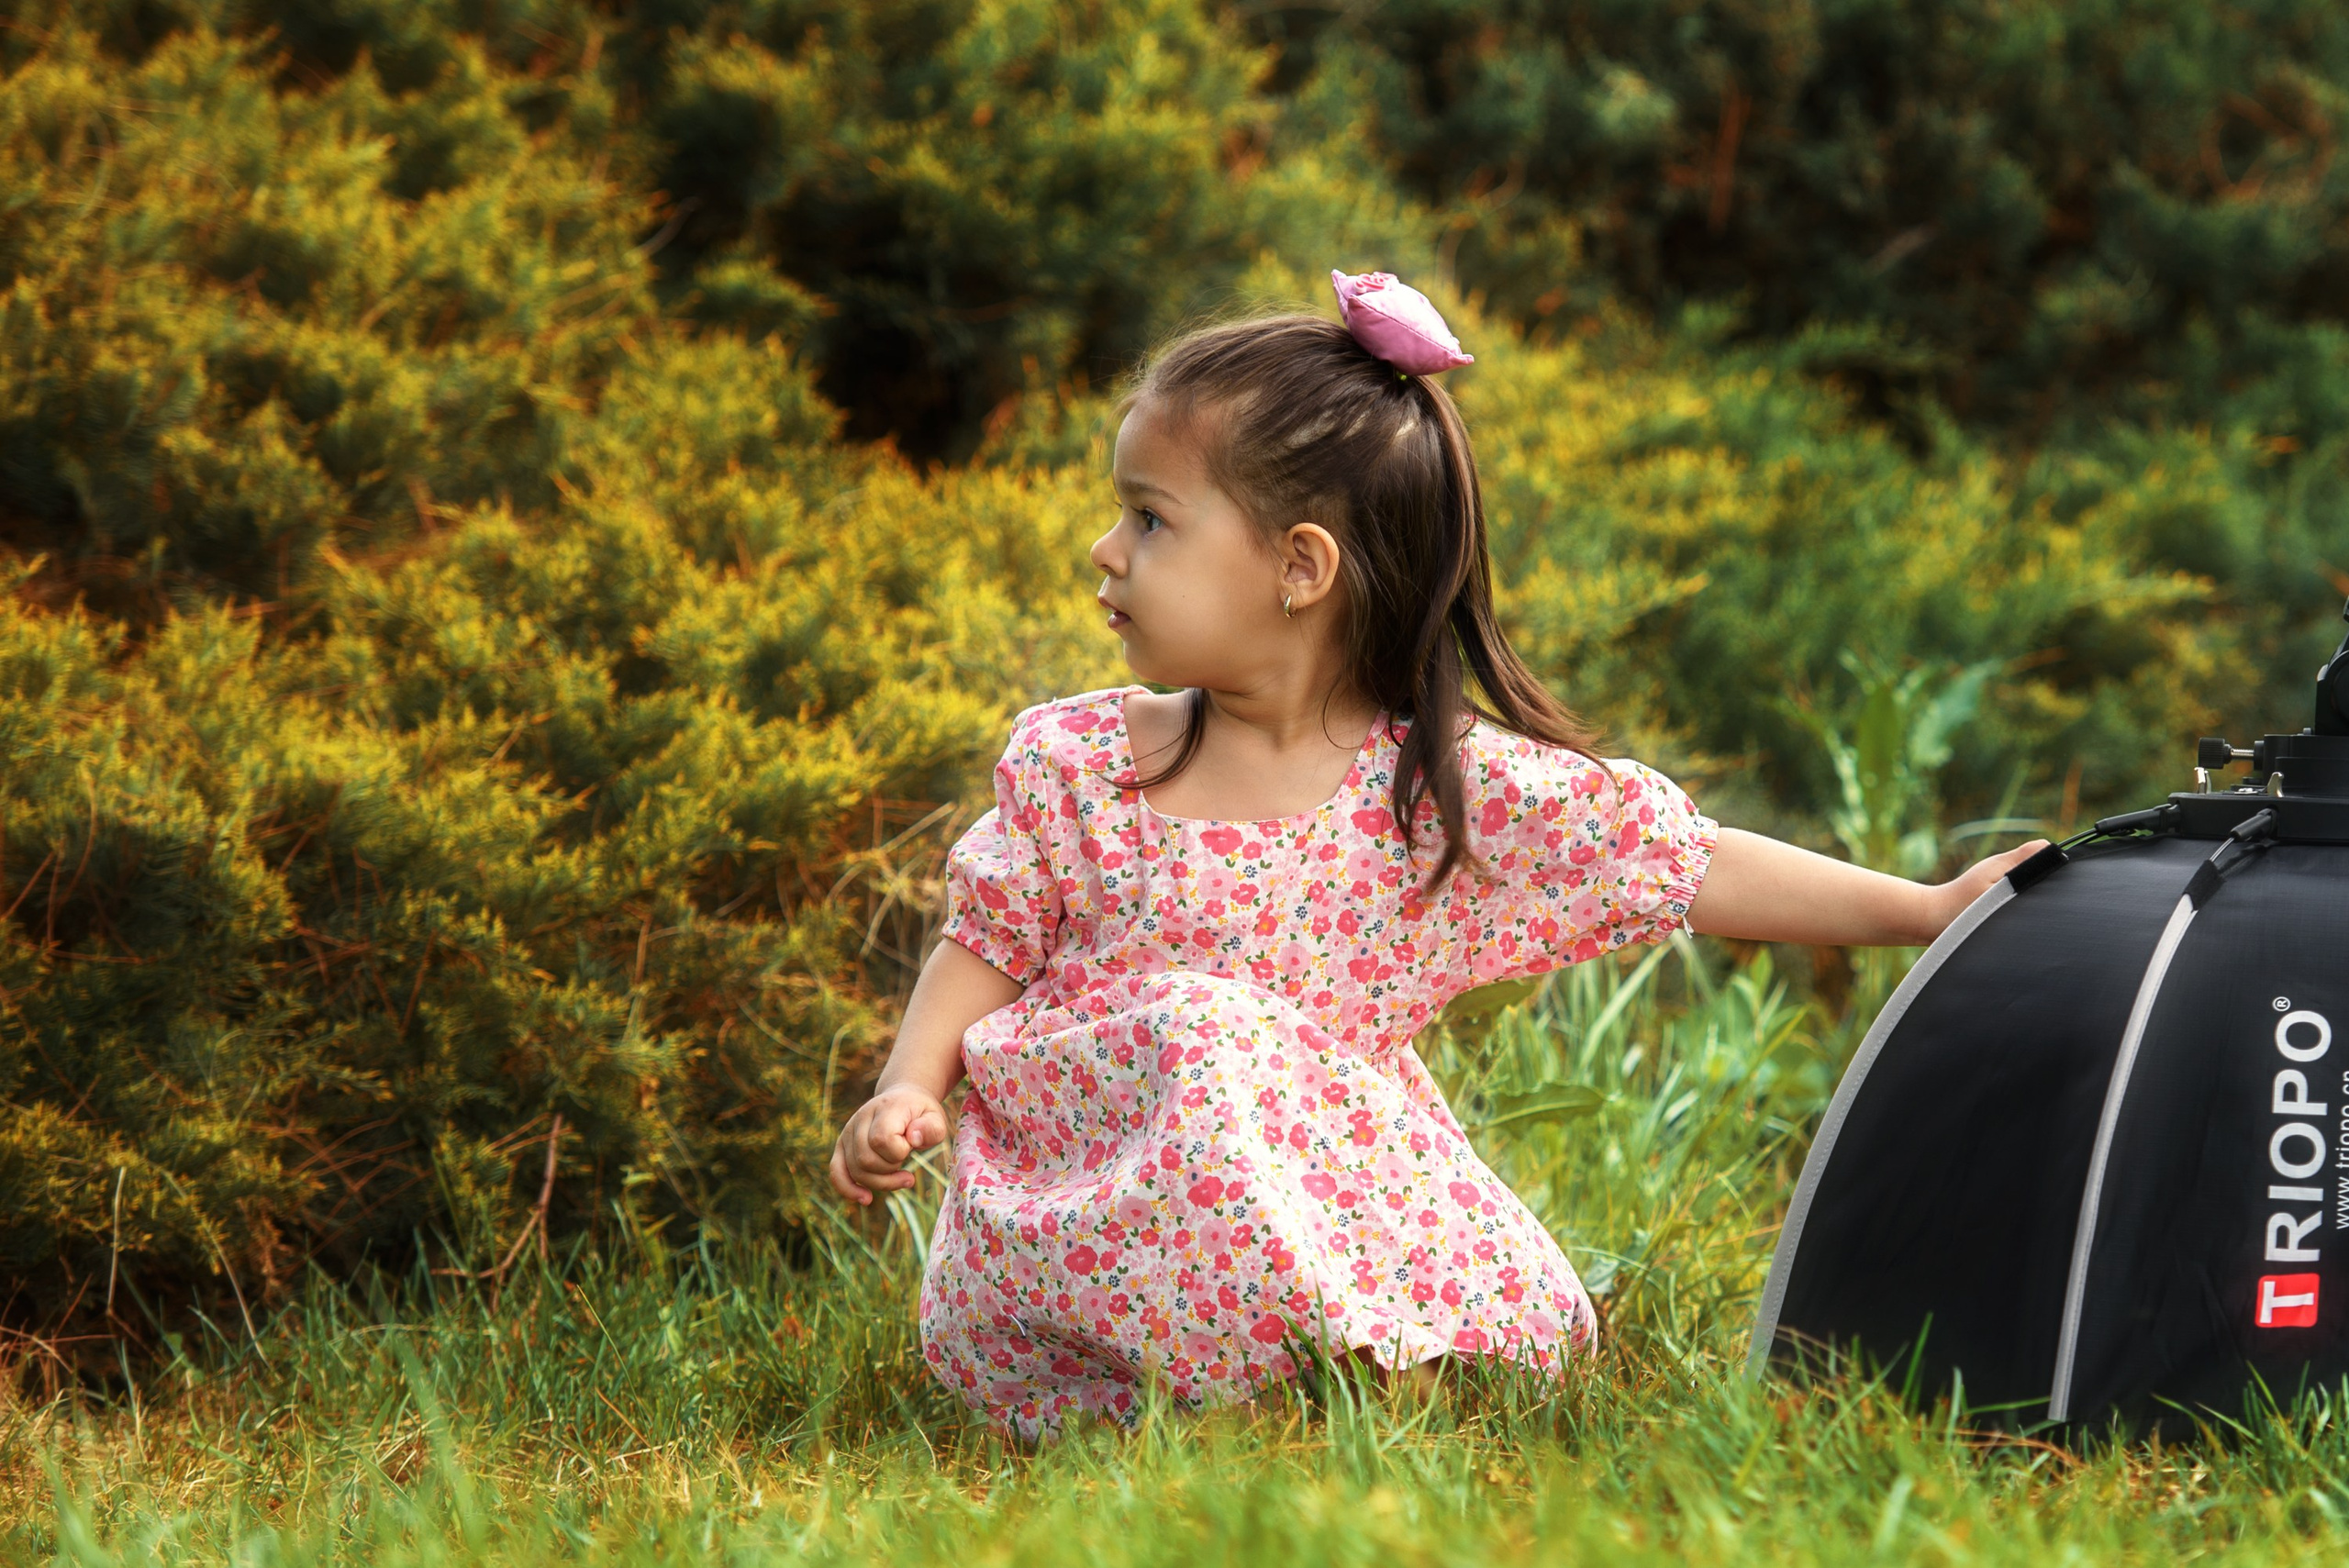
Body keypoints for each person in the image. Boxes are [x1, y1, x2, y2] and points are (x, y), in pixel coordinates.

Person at [827, 272, 2045, 1440]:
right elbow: (986, 939)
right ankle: (1173, 1386)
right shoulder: (1080, 763)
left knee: (1501, 1297)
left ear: (1300, 568)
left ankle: (1317, 1382)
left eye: (1149, 517)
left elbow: (1685, 864)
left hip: (1314, 1219)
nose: (1104, 548)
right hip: (1070, 1242)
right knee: (1199, 1031)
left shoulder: (1427, 793)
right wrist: (909, 1085)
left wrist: (1924, 907)